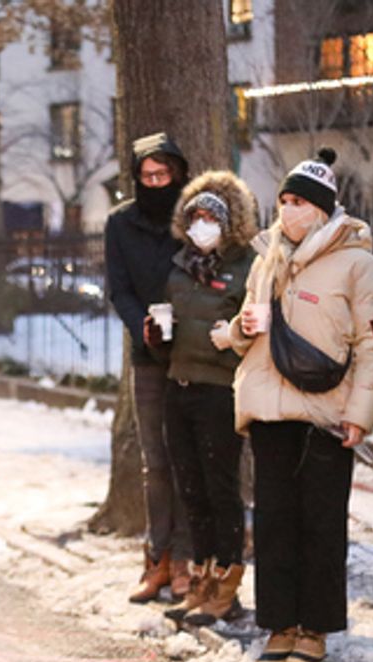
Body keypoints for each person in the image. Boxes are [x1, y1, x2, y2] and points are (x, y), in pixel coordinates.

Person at [225, 148, 373, 662]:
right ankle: (279, 625)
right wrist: (238, 331)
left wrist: (361, 416)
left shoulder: (359, 265)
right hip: (270, 409)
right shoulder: (265, 260)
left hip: (325, 413)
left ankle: (314, 629)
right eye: (284, 200)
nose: (288, 210)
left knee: (320, 526)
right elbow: (244, 329)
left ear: (321, 208)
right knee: (273, 524)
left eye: (299, 201)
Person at [140, 171, 258, 622]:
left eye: (211, 217)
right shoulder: (180, 267)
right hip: (180, 384)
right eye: (196, 217)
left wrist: (232, 338)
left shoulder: (245, 267)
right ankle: (202, 579)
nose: (202, 224)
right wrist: (157, 338)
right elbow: (170, 334)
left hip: (220, 391)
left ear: (228, 224)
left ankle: (227, 584)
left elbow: (252, 330)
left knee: (220, 488)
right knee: (190, 489)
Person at [105, 132, 193, 604]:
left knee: (190, 460)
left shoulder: (194, 216)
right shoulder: (120, 223)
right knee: (155, 462)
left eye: (165, 174)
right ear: (137, 178)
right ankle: (156, 558)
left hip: (197, 354)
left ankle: (185, 560)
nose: (157, 183)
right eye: (148, 175)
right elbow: (117, 287)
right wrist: (141, 325)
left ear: (178, 172)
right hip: (149, 357)